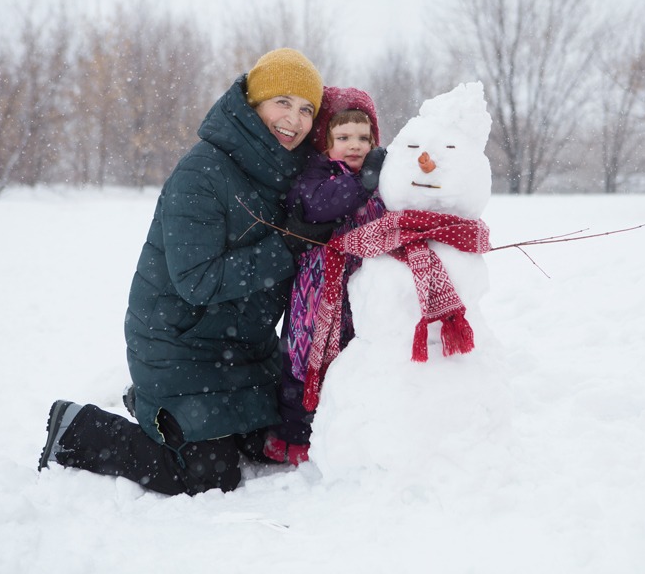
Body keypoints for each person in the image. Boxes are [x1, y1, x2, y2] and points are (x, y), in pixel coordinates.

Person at [38, 48, 328, 496]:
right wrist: (287, 246)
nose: (294, 118)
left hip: (243, 348)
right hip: (177, 343)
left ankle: (164, 414)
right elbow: (197, 279)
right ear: (255, 103)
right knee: (210, 475)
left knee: (280, 438)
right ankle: (76, 429)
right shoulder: (204, 171)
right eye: (282, 102)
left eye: (307, 108)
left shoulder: (291, 175)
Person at [260, 86, 387, 465]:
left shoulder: (379, 176)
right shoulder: (315, 176)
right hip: (317, 290)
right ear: (325, 141)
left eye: (364, 138)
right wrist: (360, 183)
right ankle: (292, 435)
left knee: (353, 357)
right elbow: (320, 205)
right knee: (304, 357)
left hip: (361, 285)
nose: (355, 145)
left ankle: (348, 432)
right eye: (343, 137)